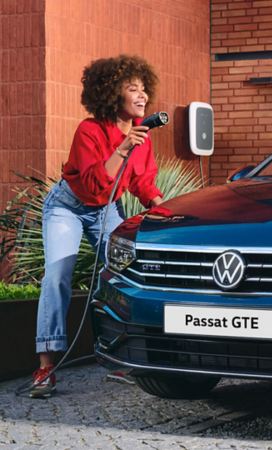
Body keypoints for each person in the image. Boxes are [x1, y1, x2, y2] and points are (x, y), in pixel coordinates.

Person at [30, 55, 164, 398]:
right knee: (58, 275)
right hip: (68, 207)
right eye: (132, 88)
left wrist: (162, 207)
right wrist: (121, 148)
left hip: (106, 210)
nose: (142, 95)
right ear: (111, 93)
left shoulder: (142, 137)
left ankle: (119, 354)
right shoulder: (89, 131)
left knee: (124, 273)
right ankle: (46, 365)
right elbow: (91, 184)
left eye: (144, 89)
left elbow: (143, 183)